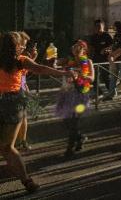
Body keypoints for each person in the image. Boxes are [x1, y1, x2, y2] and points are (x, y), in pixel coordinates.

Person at [0, 32, 73, 193]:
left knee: (5, 147)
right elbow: (41, 69)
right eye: (22, 45)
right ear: (17, 47)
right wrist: (64, 73)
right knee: (7, 147)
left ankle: (26, 180)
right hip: (14, 103)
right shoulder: (21, 61)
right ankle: (27, 181)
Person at [55, 40, 94, 157]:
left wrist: (84, 76)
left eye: (79, 48)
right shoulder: (68, 61)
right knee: (66, 121)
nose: (76, 49)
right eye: (75, 47)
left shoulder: (88, 62)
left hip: (80, 94)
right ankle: (80, 137)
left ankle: (69, 148)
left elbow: (92, 78)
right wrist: (53, 61)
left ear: (84, 50)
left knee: (74, 122)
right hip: (67, 94)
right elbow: (55, 64)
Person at [88, 19, 114, 97]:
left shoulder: (107, 36)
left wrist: (106, 49)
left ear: (103, 26)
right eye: (96, 26)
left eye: (99, 26)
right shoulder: (93, 37)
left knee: (105, 76)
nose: (98, 28)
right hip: (95, 59)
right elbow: (91, 48)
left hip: (105, 59)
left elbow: (112, 46)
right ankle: (98, 92)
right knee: (94, 77)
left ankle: (111, 91)